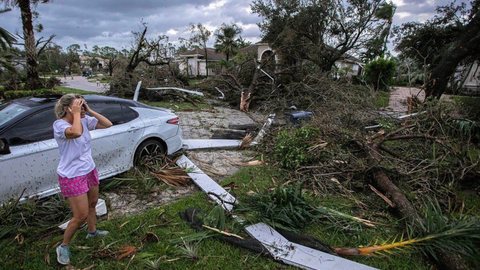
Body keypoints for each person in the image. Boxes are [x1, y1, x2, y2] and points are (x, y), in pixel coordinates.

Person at [53, 94, 113, 265]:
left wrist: (89, 110)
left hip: (89, 169)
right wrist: (78, 114)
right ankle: (63, 246)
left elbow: (108, 124)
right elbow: (76, 132)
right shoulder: (59, 125)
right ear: (67, 109)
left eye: (82, 104)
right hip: (72, 175)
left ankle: (92, 232)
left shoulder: (84, 120)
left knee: (93, 204)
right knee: (80, 215)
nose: (81, 107)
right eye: (78, 105)